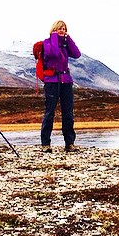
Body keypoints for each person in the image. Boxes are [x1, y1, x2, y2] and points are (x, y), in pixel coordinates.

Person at [40, 20, 81, 152]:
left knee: (68, 113)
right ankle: (45, 144)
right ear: (54, 29)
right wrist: (54, 37)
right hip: (52, 81)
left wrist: (68, 39)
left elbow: (76, 54)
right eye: (59, 28)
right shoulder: (47, 43)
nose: (62, 30)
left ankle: (69, 143)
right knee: (49, 113)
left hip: (66, 80)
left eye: (64, 29)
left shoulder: (65, 44)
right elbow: (54, 53)